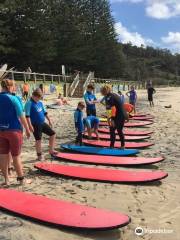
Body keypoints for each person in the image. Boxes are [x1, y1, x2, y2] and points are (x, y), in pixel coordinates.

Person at [0, 79, 31, 186]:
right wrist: (27, 129)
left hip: (1, 131)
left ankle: (6, 180)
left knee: (3, 155)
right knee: (16, 156)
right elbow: (21, 116)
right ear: (9, 87)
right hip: (14, 130)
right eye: (13, 87)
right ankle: (21, 179)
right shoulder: (13, 98)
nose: (14, 89)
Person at [25, 88, 56, 161]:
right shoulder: (29, 103)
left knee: (53, 134)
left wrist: (49, 120)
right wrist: (30, 126)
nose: (38, 99)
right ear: (33, 96)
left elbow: (45, 113)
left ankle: (51, 150)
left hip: (42, 123)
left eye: (40, 98)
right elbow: (27, 116)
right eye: (38, 97)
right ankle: (39, 155)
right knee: (38, 140)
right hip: (35, 125)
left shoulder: (40, 103)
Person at [100, 85, 128, 149]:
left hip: (117, 115)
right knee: (119, 130)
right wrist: (126, 116)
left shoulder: (109, 97)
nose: (102, 92)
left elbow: (112, 108)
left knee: (112, 130)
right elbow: (121, 105)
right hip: (122, 114)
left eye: (102, 91)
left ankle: (112, 146)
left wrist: (111, 119)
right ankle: (122, 146)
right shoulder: (114, 95)